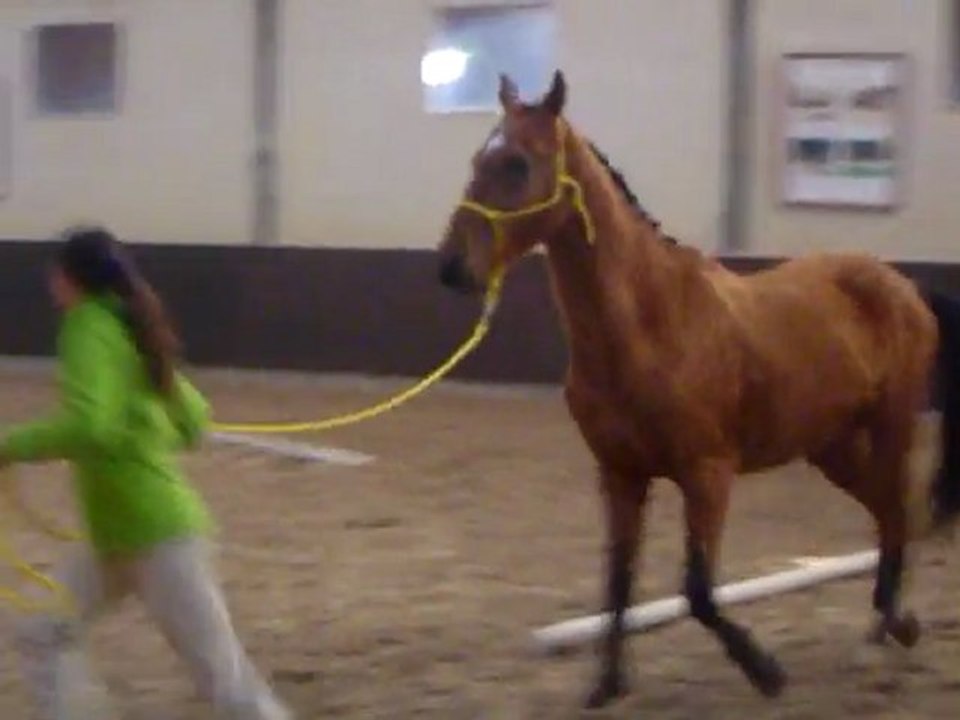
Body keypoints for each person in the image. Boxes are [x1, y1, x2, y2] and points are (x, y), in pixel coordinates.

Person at [0, 227, 293, 720]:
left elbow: (90, 425)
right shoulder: (134, 326)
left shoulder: (86, 325)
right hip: (118, 534)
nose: (51, 283)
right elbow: (193, 422)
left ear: (70, 278)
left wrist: (9, 444)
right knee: (40, 630)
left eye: (55, 273)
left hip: (154, 534)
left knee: (227, 684)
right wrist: (142, 431)